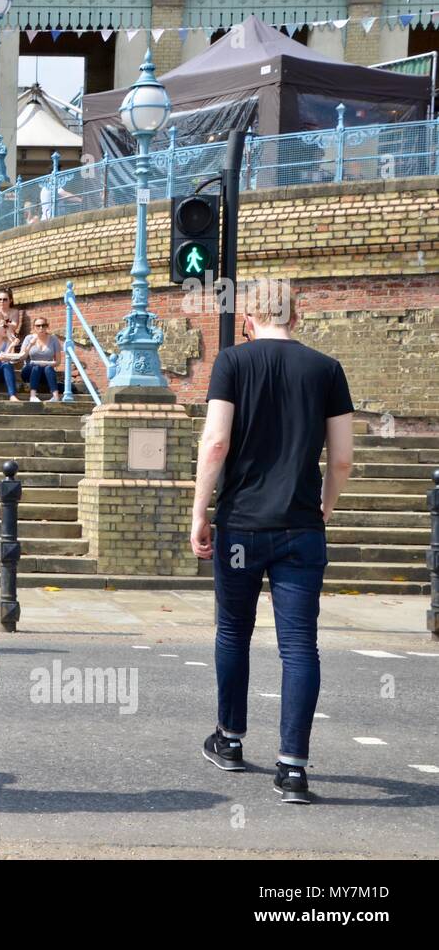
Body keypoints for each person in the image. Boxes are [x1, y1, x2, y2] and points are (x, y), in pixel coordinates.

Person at [191, 281, 354, 805]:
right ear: (296, 316)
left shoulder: (233, 364)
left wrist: (200, 511)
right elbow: (344, 458)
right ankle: (293, 769)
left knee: (234, 633)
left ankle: (230, 740)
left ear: (249, 317)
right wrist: (324, 507)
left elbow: (216, 441)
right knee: (299, 646)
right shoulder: (327, 370)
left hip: (241, 526)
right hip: (301, 529)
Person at [19, 316, 62, 400]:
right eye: (38, 326)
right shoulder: (29, 338)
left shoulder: (53, 339)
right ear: (34, 327)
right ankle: (33, 396)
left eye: (43, 325)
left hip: (46, 373)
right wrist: (30, 344)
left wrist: (46, 363)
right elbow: (22, 357)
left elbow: (58, 362)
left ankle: (56, 396)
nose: (41, 328)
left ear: (47, 326)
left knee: (48, 368)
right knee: (37, 367)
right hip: (29, 371)